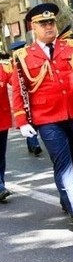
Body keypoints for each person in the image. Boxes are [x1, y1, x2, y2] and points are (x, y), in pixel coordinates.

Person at [12, 3, 73, 227]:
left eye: (51, 22)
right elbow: (19, 90)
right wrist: (23, 121)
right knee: (62, 161)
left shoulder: (72, 47)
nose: (49, 27)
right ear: (32, 27)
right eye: (43, 23)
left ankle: (67, 197)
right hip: (47, 118)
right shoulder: (23, 55)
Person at [0, 49, 14, 202]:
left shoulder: (4, 69)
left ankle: (1, 185)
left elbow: (16, 81)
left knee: (1, 156)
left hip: (1, 122)